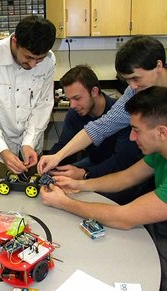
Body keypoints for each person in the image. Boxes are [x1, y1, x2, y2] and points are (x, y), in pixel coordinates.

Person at [40, 86, 167, 291]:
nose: (132, 138)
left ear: (161, 132)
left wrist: (65, 203)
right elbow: (128, 177)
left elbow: (124, 217)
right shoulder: (160, 150)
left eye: (136, 130)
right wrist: (79, 184)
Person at [38, 35, 167, 175]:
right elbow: (101, 126)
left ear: (158, 66)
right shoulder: (135, 91)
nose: (133, 86)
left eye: (136, 78)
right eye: (128, 81)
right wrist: (57, 156)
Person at [0, 15, 56, 178]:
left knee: (33, 193)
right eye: (28, 57)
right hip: (1, 145)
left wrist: (29, 142)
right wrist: (2, 150)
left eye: (39, 59)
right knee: (4, 195)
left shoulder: (49, 61)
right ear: (15, 41)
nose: (33, 65)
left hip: (32, 147)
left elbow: (43, 106)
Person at [48, 64, 146, 204]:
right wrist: (51, 162)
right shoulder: (75, 113)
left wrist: (84, 174)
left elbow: (121, 162)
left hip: (121, 168)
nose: (72, 105)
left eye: (77, 98)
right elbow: (64, 145)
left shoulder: (123, 114)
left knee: (90, 198)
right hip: (94, 161)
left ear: (94, 91)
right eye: (69, 99)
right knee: (59, 176)